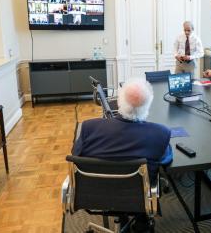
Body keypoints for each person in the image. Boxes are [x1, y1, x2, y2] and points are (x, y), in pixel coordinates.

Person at [72, 78, 172, 232]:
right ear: (148, 105)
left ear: (119, 102)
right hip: (138, 197)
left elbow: (76, 156)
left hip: (95, 193)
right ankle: (141, 222)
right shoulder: (160, 133)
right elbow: (166, 160)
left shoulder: (89, 128)